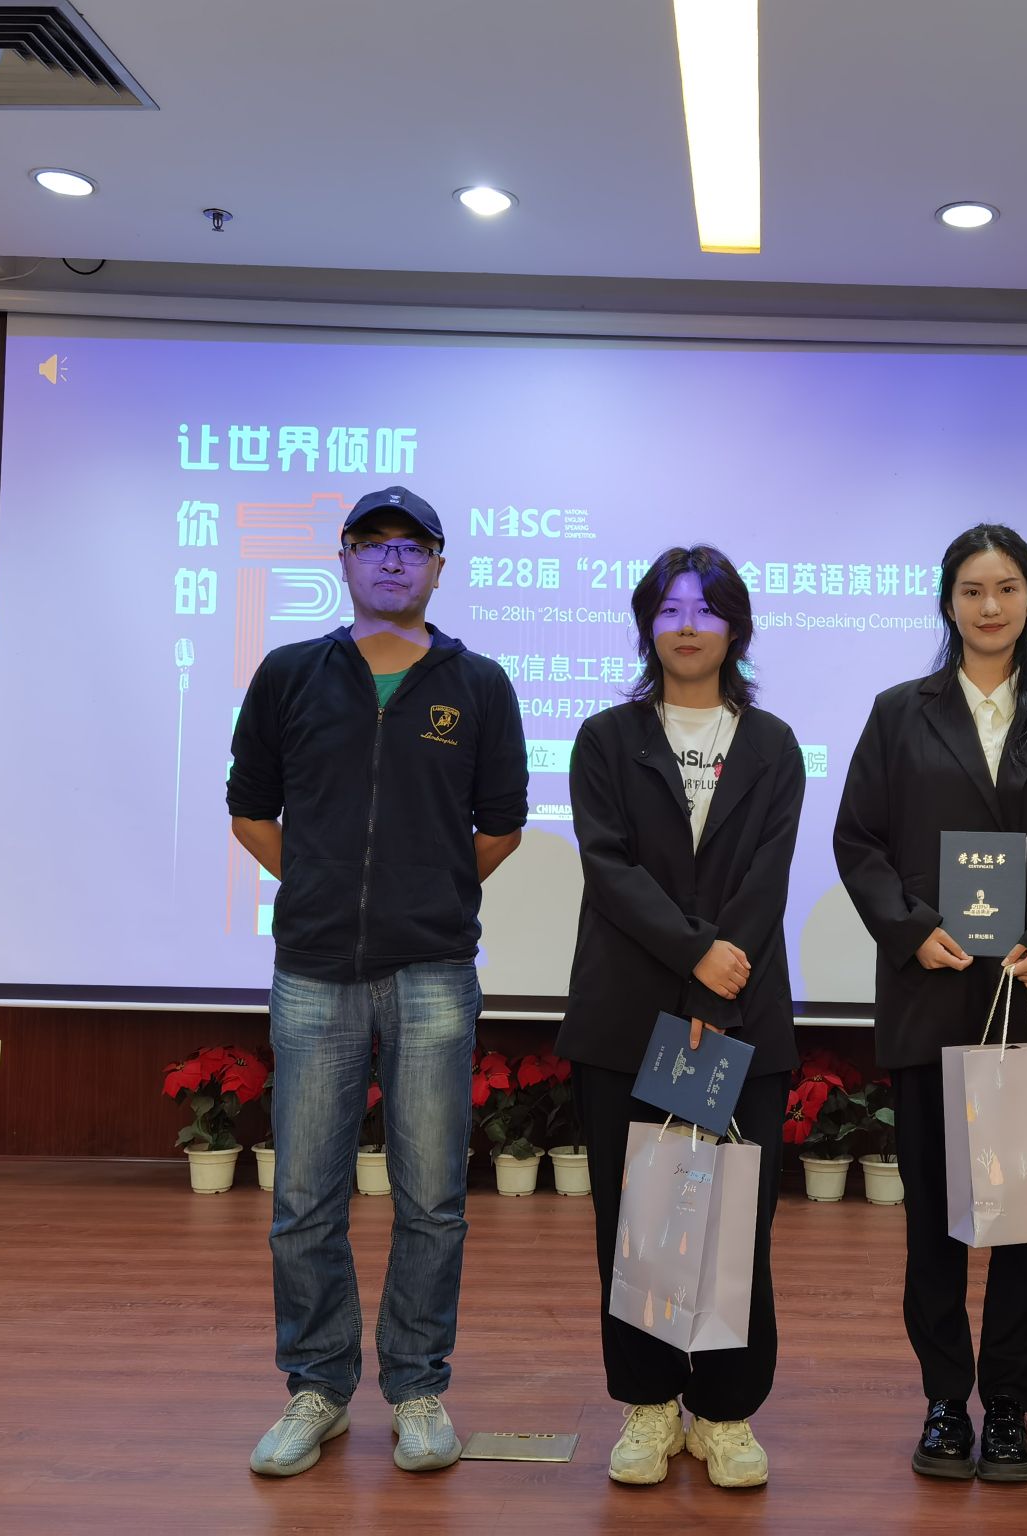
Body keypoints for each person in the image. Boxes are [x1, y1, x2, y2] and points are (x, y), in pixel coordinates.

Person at [226, 485, 530, 1477]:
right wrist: (322, 884)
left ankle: (417, 1389)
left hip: (433, 970)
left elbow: (499, 827)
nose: (392, 560)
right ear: (345, 560)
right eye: (373, 543)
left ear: (438, 566)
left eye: (412, 546)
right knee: (303, 1199)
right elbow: (250, 809)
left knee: (432, 1198)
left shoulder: (478, 684)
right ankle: (316, 1388)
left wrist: (422, 894)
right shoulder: (289, 674)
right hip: (314, 972)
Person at [834, 523, 1027, 1484]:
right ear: (948, 602)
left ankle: (1007, 1407)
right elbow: (858, 842)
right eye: (972, 590)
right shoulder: (899, 713)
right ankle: (942, 1401)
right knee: (932, 1221)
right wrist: (908, 927)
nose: (990, 605)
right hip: (933, 989)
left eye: (1007, 588)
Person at [558, 546, 806, 1489]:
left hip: (740, 1017)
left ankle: (726, 1412)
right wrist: (696, 956)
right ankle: (649, 1403)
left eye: (706, 608)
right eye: (669, 609)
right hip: (627, 1017)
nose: (688, 625)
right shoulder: (606, 739)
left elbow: (767, 878)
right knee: (635, 1219)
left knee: (735, 1217)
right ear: (647, 626)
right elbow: (609, 867)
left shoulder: (773, 743)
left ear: (735, 626)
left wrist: (711, 984)